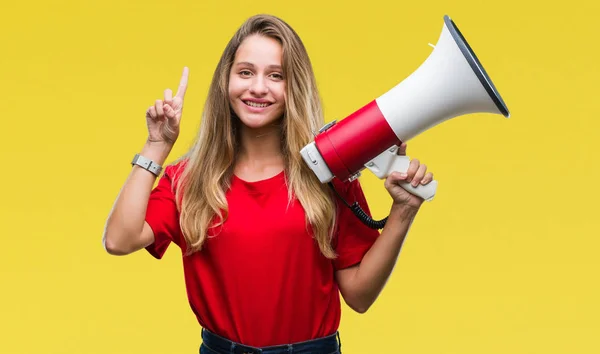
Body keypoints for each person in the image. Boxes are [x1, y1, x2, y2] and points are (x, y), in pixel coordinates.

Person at [103, 14, 434, 354]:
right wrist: (156, 146)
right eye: (245, 72)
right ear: (225, 81)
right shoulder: (189, 179)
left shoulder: (328, 173)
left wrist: (403, 212)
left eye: (276, 75)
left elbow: (360, 296)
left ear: (295, 87)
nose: (258, 87)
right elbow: (118, 239)